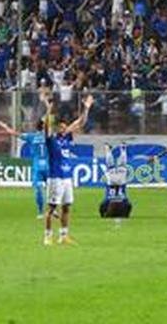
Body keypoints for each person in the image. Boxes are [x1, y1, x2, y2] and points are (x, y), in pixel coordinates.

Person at [42, 94, 93, 246]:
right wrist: (48, 110)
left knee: (66, 207)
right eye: (62, 127)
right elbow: (46, 128)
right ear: (57, 128)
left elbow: (81, 122)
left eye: (66, 127)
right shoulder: (51, 140)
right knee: (51, 208)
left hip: (67, 178)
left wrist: (86, 108)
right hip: (55, 177)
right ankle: (47, 236)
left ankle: (63, 236)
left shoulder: (67, 138)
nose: (65, 128)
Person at [0, 110, 48, 217]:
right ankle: (53, 209)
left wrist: (5, 126)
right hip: (48, 166)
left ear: (36, 127)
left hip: (37, 167)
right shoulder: (48, 137)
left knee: (38, 189)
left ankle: (40, 212)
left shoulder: (31, 136)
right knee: (51, 188)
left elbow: (14, 133)